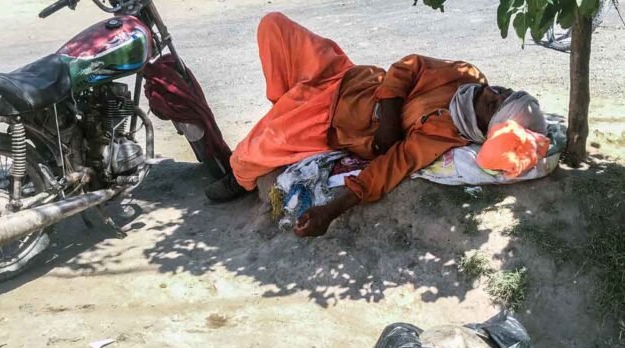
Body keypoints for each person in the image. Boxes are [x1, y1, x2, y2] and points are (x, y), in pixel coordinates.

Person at [205, 12, 546, 237]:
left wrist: (330, 211)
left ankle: (240, 178)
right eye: (502, 91)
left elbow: (392, 166)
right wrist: (389, 116)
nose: (492, 93)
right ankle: (287, 103)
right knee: (274, 26)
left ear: (485, 128)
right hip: (347, 77)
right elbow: (409, 67)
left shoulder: (446, 134)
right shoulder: (466, 75)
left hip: (328, 119)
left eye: (495, 105)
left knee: (247, 158)